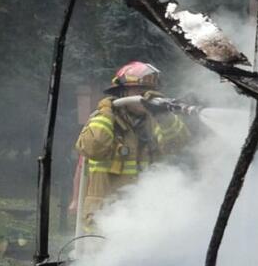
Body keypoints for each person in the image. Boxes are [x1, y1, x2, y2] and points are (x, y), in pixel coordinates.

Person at [74, 61, 191, 234]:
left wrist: (164, 116)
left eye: (148, 91)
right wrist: (106, 112)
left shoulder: (156, 121)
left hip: (146, 220)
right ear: (123, 92)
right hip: (105, 221)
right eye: (139, 91)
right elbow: (93, 148)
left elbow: (178, 144)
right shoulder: (103, 119)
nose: (145, 96)